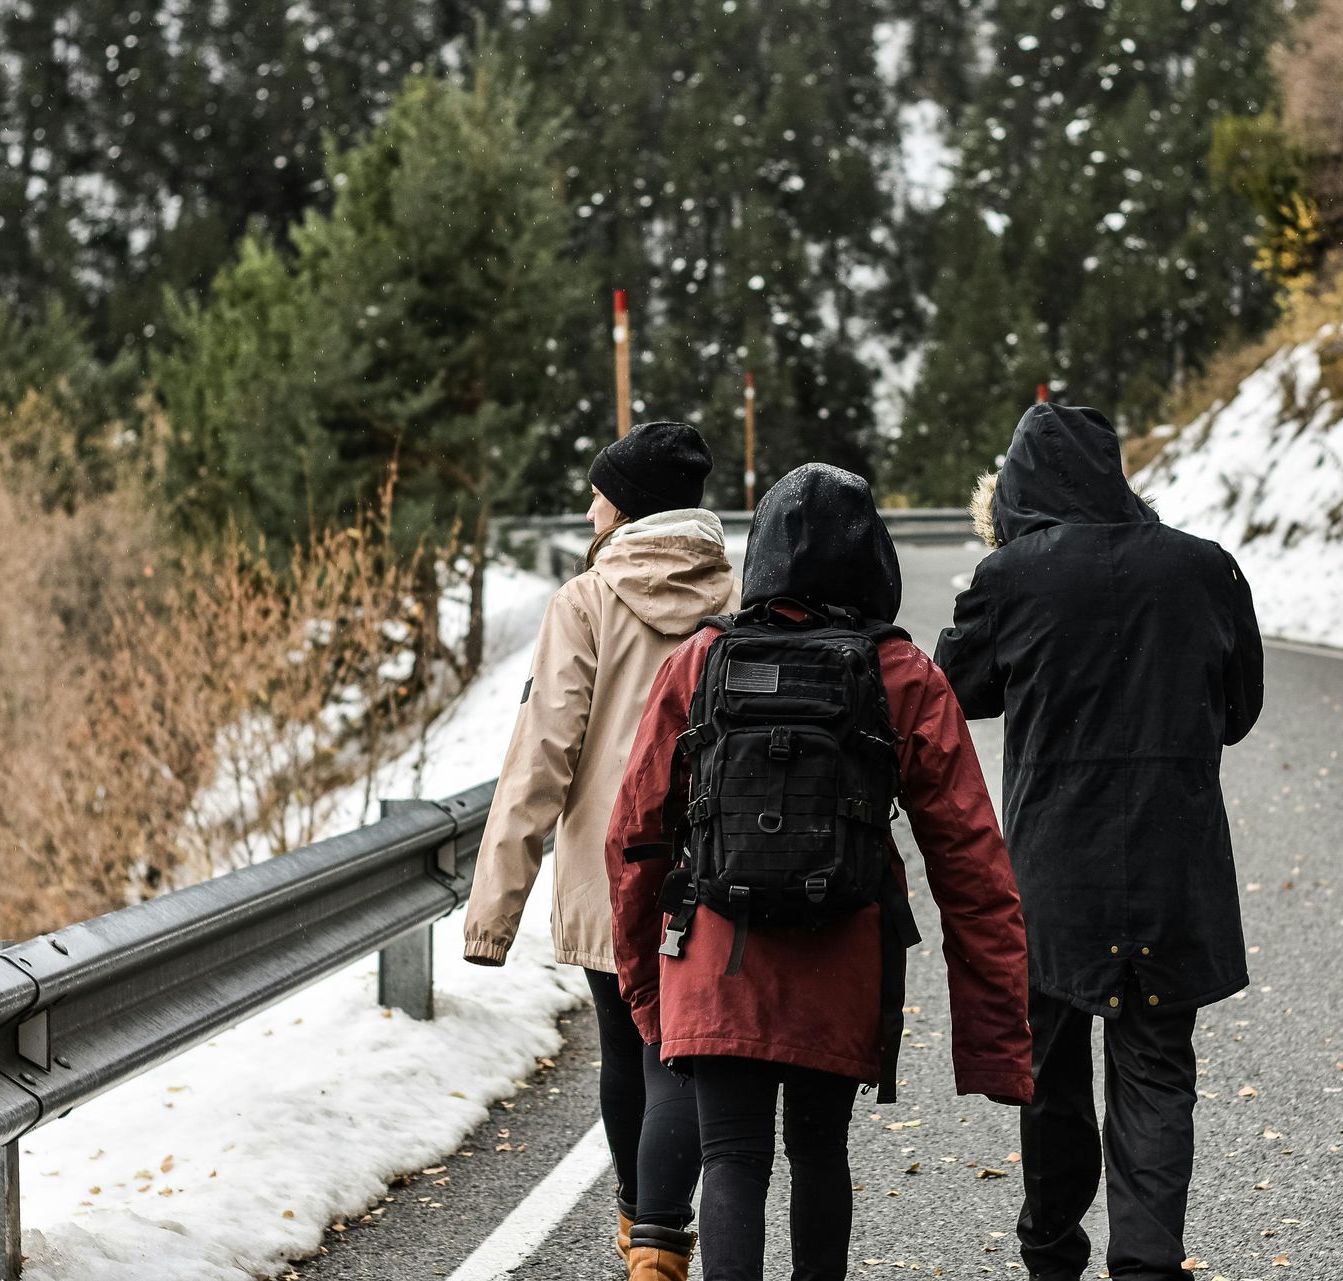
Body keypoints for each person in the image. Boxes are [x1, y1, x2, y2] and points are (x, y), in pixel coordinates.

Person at [606, 463, 1034, 1281]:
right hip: (840, 956)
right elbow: (972, 861)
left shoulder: (700, 660)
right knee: (818, 1151)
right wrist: (996, 1038)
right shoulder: (901, 673)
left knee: (732, 1155)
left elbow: (634, 835)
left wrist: (643, 984)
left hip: (716, 957)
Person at [935, 403, 1263, 1281]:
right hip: (1172, 863)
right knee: (1156, 1069)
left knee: (1049, 1071)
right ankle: (1148, 1265)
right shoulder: (1205, 568)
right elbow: (1239, 711)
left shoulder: (1011, 577)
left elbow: (951, 689)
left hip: (1053, 872)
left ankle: (1052, 1254)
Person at [461, 420, 737, 1272]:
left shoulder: (585, 602)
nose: (589, 513)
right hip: (716, 863)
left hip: (611, 871)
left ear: (630, 508)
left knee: (626, 1046)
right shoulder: (739, 594)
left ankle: (641, 1232)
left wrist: (493, 912)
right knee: (679, 1056)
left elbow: (540, 757)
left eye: (599, 496)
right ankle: (659, 1236)